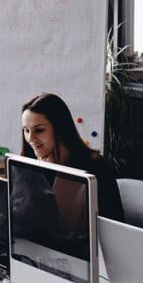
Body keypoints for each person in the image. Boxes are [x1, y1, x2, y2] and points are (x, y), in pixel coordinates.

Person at [20, 92, 125, 222]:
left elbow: (114, 223)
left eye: (39, 130)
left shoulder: (97, 168)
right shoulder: (30, 164)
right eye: (26, 130)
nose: (30, 138)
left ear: (59, 129)